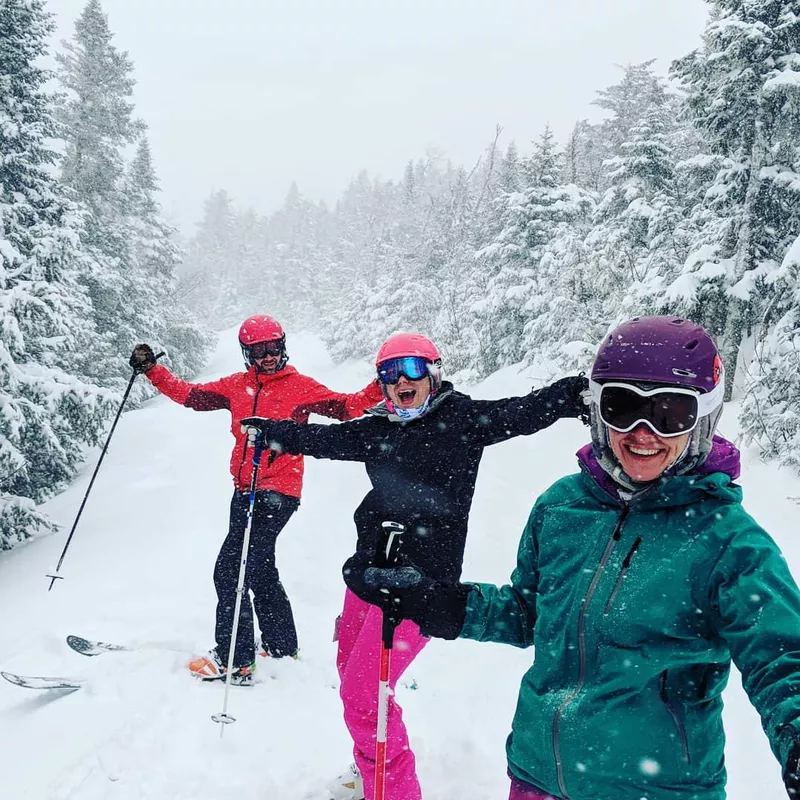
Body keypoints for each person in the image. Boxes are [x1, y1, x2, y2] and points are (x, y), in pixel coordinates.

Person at [350, 315, 800, 800]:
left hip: (654, 789)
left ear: (705, 417)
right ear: (599, 409)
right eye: (623, 407)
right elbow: (530, 613)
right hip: (536, 776)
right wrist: (443, 604)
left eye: (670, 413)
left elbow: (782, 656)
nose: (642, 432)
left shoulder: (728, 540)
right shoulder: (562, 506)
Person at [241, 331, 589, 800]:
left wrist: (571, 393)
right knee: (353, 681)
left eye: (412, 369)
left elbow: (521, 412)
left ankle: (393, 789)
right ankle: (370, 766)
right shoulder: (378, 428)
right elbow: (327, 438)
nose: (402, 380)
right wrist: (277, 432)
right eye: (390, 372)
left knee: (365, 697)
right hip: (368, 574)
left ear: (433, 372)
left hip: (422, 588)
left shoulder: (462, 419)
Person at [129, 314, 383, 685]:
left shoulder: (299, 386)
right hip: (244, 490)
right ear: (247, 353)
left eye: (274, 348)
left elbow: (345, 407)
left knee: (230, 570)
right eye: (259, 350)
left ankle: (235, 658)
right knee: (260, 568)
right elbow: (190, 396)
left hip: (277, 492)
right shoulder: (236, 386)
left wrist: (383, 386)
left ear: (283, 346)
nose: (268, 356)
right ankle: (281, 645)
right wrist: (153, 370)